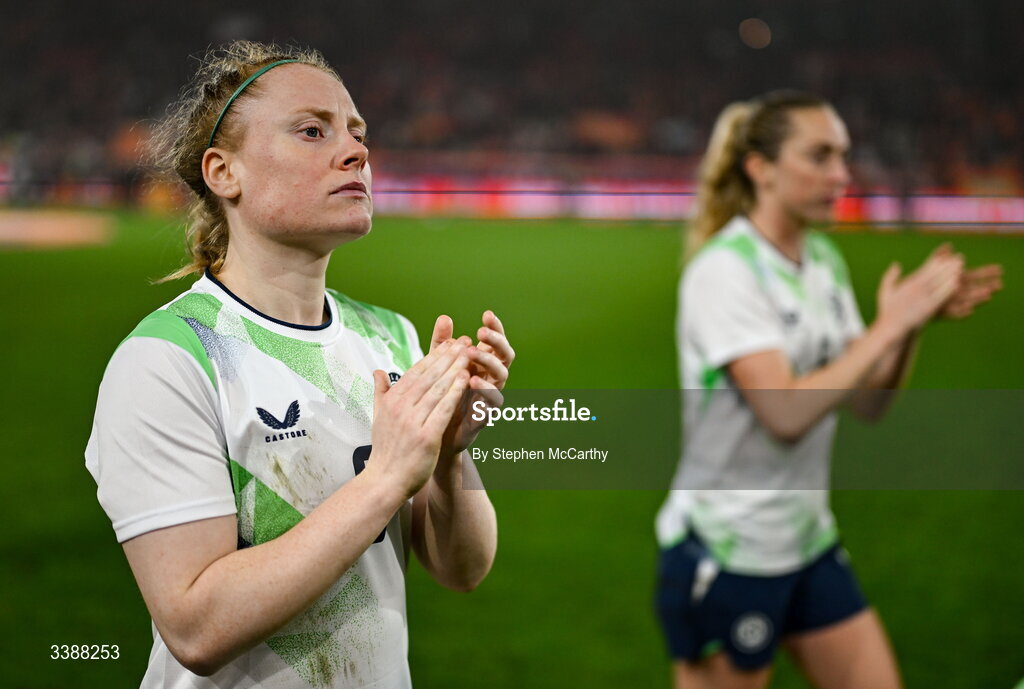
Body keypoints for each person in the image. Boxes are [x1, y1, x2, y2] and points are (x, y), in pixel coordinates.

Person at [85, 41, 513, 689]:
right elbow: (196, 628)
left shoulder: (390, 337)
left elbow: (463, 569)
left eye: (357, 133)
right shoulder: (167, 359)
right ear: (224, 172)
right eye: (312, 131)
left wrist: (450, 454)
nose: (356, 152)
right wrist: (387, 477)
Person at [653, 90, 1001, 689]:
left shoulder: (823, 262)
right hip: (729, 549)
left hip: (808, 540)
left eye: (842, 155)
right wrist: (888, 326)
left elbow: (868, 401)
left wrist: (907, 329)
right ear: (760, 168)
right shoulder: (725, 271)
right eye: (820, 156)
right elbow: (785, 413)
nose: (841, 174)